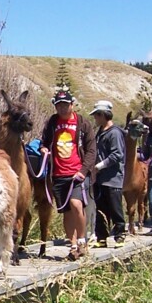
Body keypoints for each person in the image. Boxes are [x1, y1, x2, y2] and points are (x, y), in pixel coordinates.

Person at [40, 89, 97, 260]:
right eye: (59, 105)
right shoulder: (52, 122)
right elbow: (44, 142)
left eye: (65, 105)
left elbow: (91, 151)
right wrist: (43, 149)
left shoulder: (83, 123)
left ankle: (81, 241)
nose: (62, 108)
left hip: (77, 174)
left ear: (72, 105)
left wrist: (83, 171)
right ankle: (72, 245)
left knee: (76, 204)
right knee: (66, 211)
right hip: (58, 174)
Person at [88, 100, 126, 248]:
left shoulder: (114, 133)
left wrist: (100, 165)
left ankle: (120, 235)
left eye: (97, 115)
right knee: (101, 208)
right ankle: (102, 238)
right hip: (100, 179)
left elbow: (117, 154)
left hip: (112, 178)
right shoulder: (100, 132)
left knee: (115, 207)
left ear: (104, 115)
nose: (95, 118)